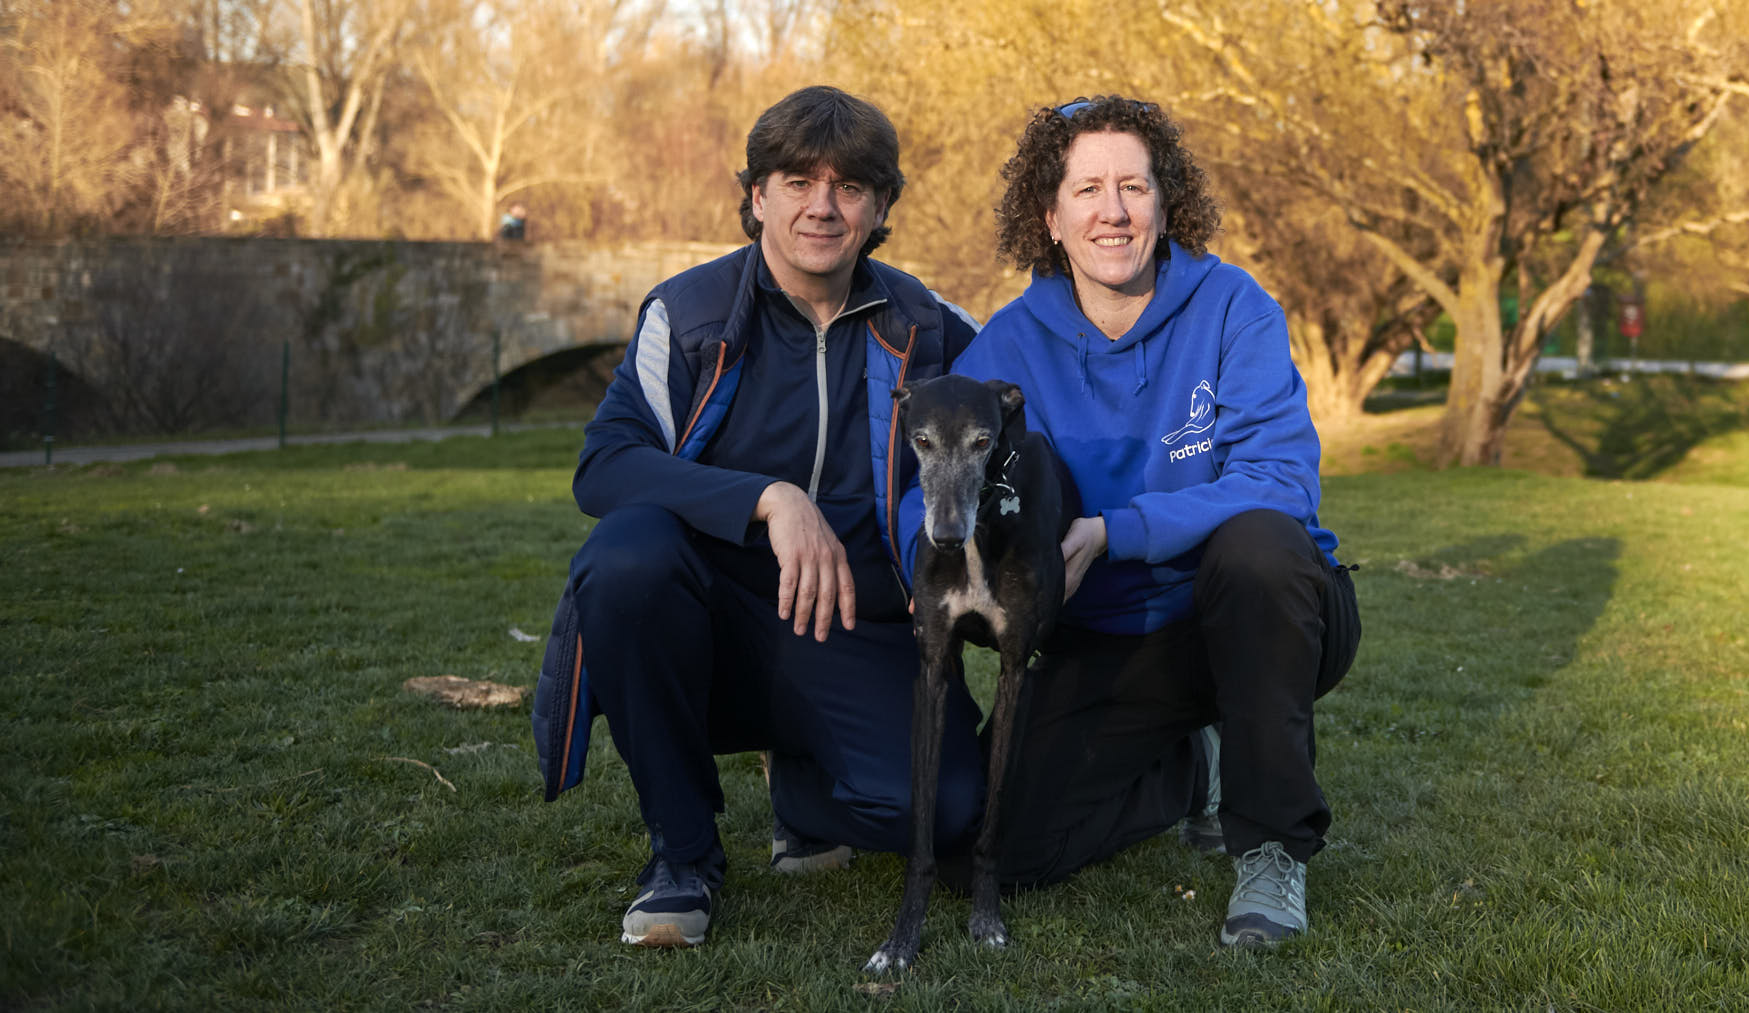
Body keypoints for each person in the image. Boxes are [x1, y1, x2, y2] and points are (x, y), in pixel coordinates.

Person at [529, 86, 984, 949]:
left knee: (947, 808)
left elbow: (1029, 426)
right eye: (797, 180)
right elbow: (605, 465)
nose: (823, 205)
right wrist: (768, 499)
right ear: (755, 196)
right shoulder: (688, 314)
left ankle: (804, 787)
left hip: (857, 621)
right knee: (627, 555)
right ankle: (683, 854)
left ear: (882, 204)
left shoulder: (931, 328)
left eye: (850, 185)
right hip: (705, 613)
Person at [951, 96, 1361, 947]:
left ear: (1166, 203)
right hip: (1111, 638)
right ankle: (1179, 772)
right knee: (994, 851)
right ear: (1050, 216)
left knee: (1258, 544)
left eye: (1134, 186)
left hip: (1262, 617)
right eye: (1089, 188)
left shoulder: (1232, 306)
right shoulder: (1005, 347)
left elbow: (1282, 480)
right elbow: (937, 488)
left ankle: (1272, 847)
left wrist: (1115, 531)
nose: (1114, 210)